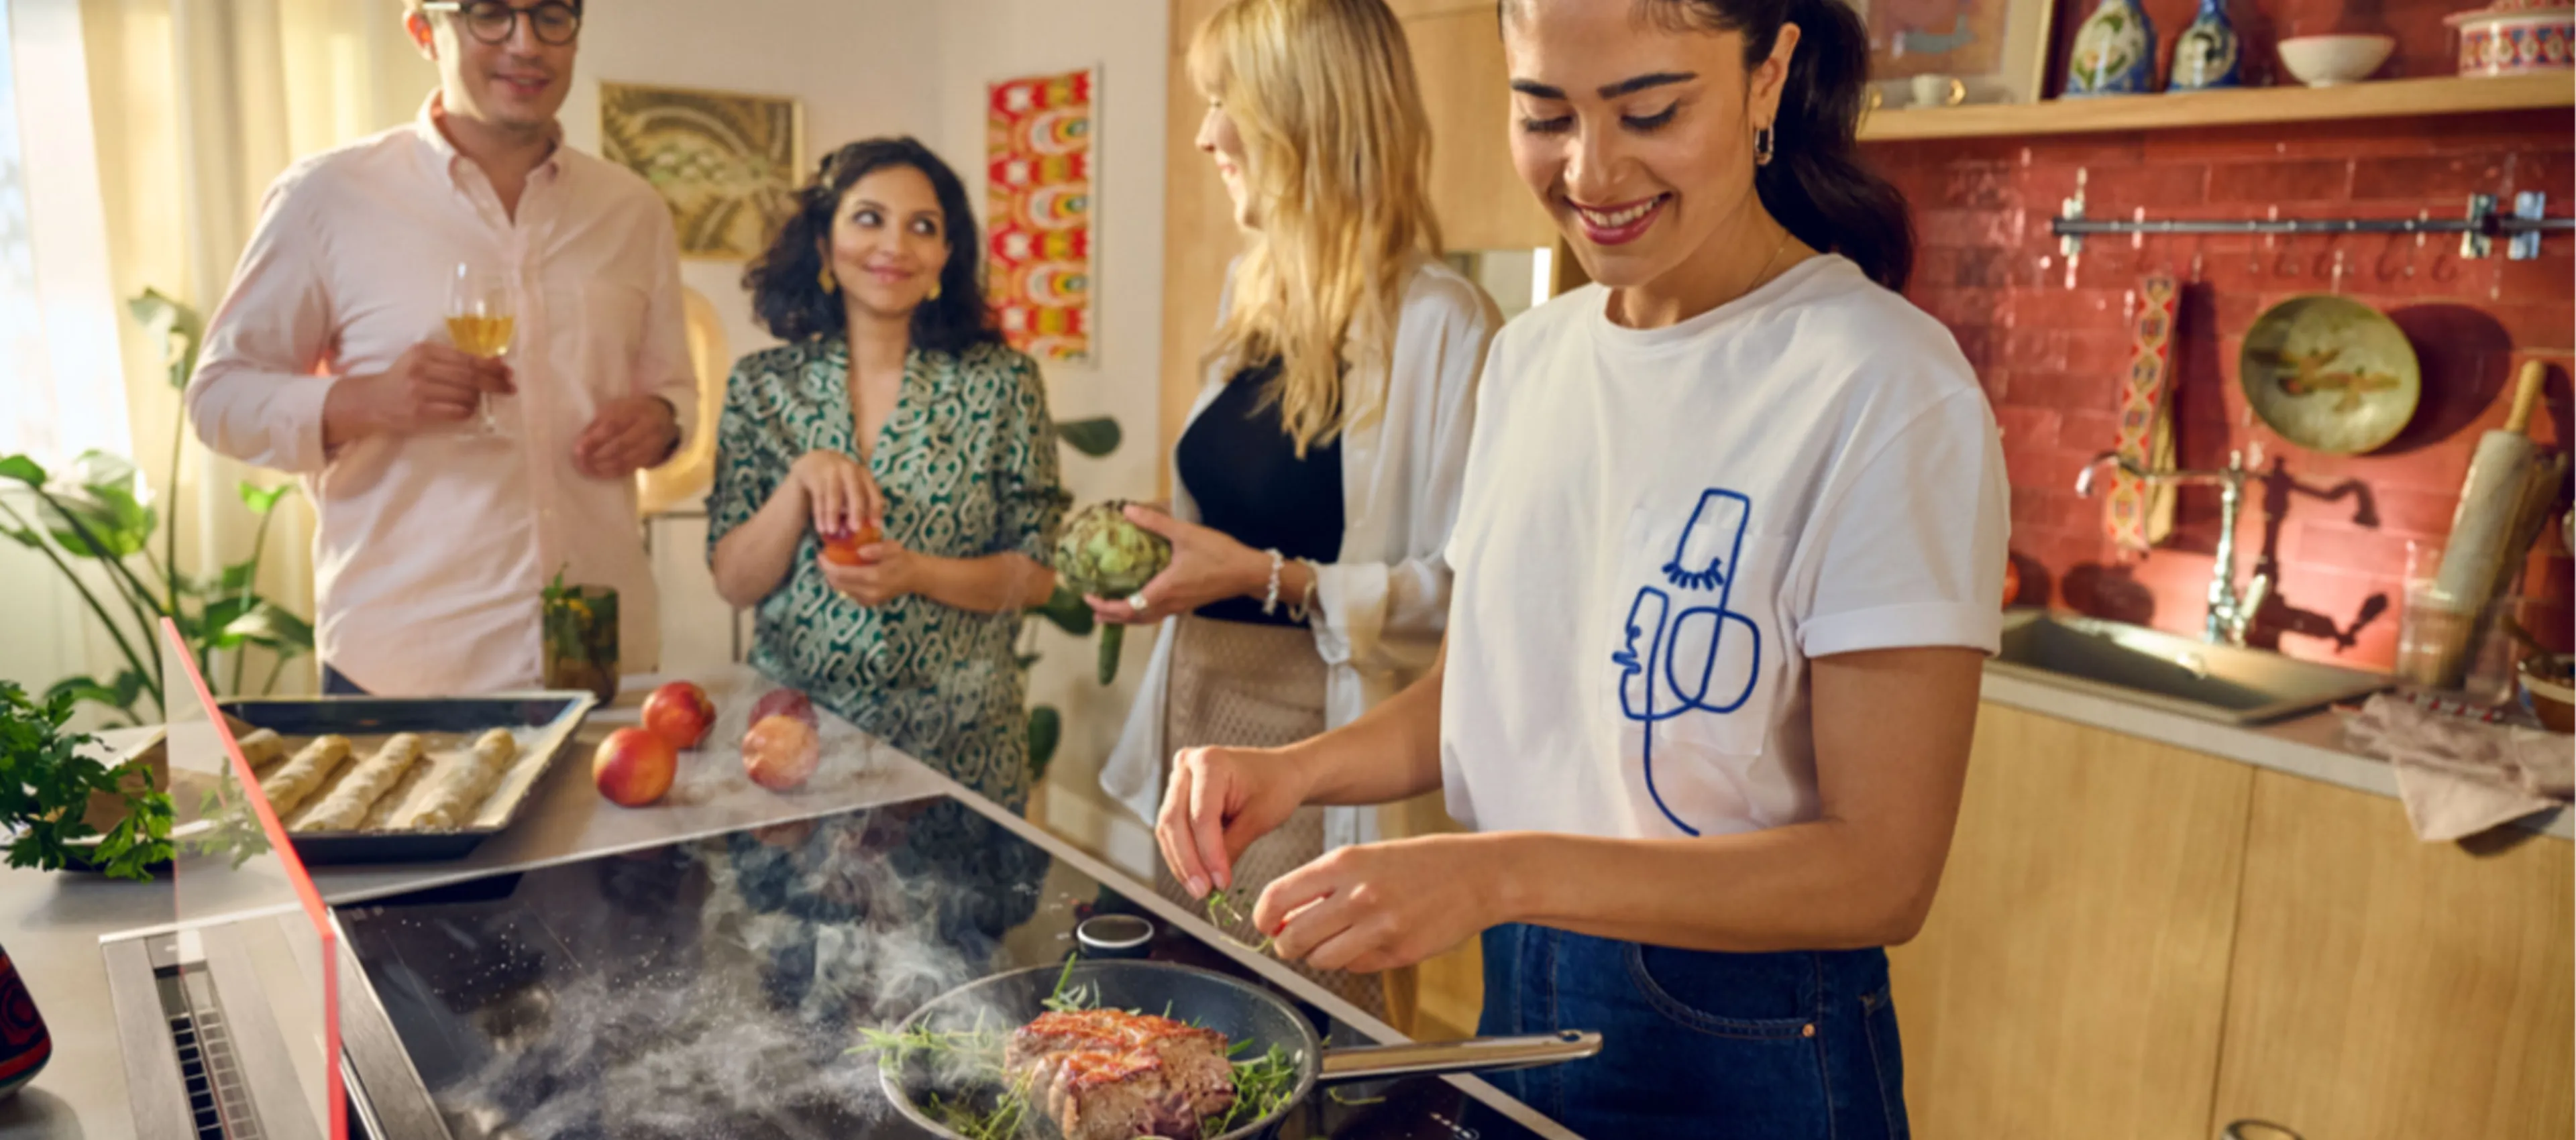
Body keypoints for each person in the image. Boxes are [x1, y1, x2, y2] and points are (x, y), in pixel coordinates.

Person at [1154, 0, 2008, 1133]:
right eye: (1544, 115)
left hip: (1752, 1038)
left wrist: (1497, 875)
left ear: (1768, 78)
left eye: (1650, 111)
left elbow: (1881, 872)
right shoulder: (1532, 357)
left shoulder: (1883, 385)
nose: (1591, 170)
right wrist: (1300, 772)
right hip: (1527, 988)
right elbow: (1491, 691)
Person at [1087, 0, 1502, 1015]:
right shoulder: (1250, 293)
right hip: (1199, 723)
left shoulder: (1443, 324)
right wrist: (1167, 562)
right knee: (1178, 1032)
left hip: (1319, 753)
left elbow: (1463, 602)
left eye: (1226, 103)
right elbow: (1234, 514)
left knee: (1305, 1043)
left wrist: (1262, 577)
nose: (1206, 134)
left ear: (1306, 118)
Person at [186, 0, 694, 697]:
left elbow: (677, 390)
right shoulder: (327, 197)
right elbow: (219, 398)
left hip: (601, 659)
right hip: (406, 666)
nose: (527, 44)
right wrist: (366, 400)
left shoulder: (632, 209)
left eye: (551, 15)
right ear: (425, 31)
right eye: (490, 15)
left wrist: (663, 422)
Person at [708, 137, 1065, 813]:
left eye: (922, 226)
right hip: (798, 744)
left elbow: (1037, 576)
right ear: (823, 243)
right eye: (869, 217)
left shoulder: (1004, 383)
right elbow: (734, 580)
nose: (894, 244)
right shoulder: (761, 387)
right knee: (791, 921)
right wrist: (800, 480)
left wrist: (918, 573)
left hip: (960, 751)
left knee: (960, 920)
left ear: (945, 256)